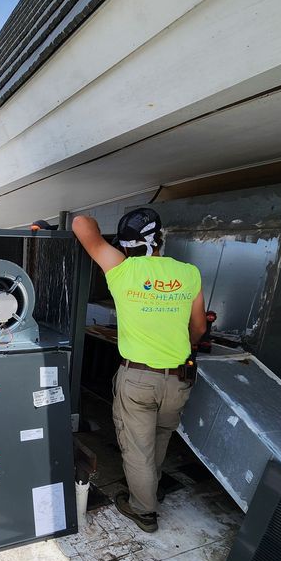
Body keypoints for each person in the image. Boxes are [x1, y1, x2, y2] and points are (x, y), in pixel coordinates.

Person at [73, 208, 206, 532]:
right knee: (159, 440)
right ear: (160, 237)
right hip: (178, 379)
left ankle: (143, 509)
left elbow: (81, 223)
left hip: (138, 379)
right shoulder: (189, 273)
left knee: (137, 448)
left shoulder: (121, 268)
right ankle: (150, 487)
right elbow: (199, 328)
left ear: (126, 245)